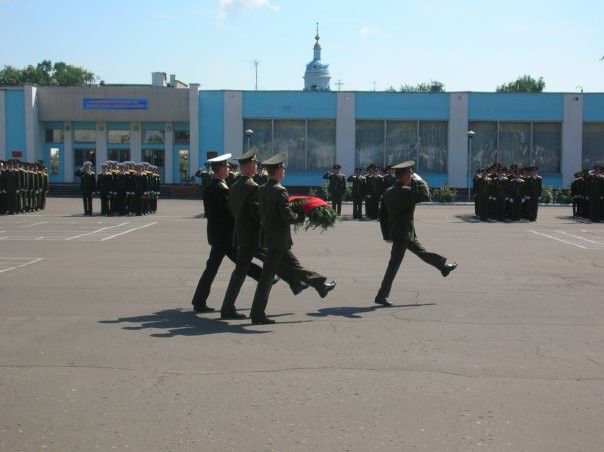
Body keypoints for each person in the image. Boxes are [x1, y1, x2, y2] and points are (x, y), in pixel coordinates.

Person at [219, 150, 310, 319]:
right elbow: (258, 212)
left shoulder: (234, 186)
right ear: (246, 167)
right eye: (253, 164)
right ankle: (260, 309)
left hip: (241, 234)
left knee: (242, 271)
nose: (256, 167)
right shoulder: (252, 187)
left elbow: (231, 210)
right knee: (271, 266)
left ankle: (227, 307)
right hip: (254, 235)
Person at [249, 152, 336, 324]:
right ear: (277, 171)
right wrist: (303, 214)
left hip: (270, 237)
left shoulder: (263, 189)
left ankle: (320, 286)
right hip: (278, 240)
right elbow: (287, 217)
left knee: (295, 266)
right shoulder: (279, 191)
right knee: (268, 277)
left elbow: (257, 211)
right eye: (282, 168)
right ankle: (257, 314)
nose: (284, 171)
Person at [375, 160, 458, 307]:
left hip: (401, 233)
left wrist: (387, 235)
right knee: (394, 265)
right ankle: (381, 295)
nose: (411, 175)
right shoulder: (406, 192)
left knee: (421, 252)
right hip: (403, 234)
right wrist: (420, 180)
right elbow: (425, 195)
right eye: (410, 173)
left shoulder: (388, 193)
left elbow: (382, 216)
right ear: (403, 176)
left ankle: (443, 267)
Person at [190, 153, 265, 313]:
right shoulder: (222, 189)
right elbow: (228, 213)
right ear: (221, 170)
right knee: (236, 263)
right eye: (226, 167)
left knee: (221, 265)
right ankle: (264, 277)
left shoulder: (210, 187)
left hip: (216, 234)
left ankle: (198, 300)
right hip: (225, 236)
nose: (229, 170)